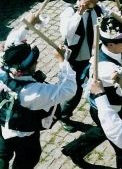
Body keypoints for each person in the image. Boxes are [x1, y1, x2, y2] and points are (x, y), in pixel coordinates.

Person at [62, 13, 122, 167]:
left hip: (115, 105)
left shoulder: (114, 45)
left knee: (103, 131)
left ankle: (74, 149)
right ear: (111, 44)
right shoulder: (105, 67)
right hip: (107, 108)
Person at [0, 14, 76, 168]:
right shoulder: (32, 92)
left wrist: (28, 25)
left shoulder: (4, 66)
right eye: (35, 62)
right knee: (28, 159)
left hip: (2, 124)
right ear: (29, 67)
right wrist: (62, 62)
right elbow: (68, 89)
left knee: (1, 155)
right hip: (24, 134)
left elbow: (12, 43)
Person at [59, 0, 110, 132]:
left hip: (93, 57)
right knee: (74, 92)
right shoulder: (69, 11)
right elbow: (66, 34)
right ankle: (63, 115)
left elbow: (111, 16)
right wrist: (79, 13)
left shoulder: (98, 9)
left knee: (99, 85)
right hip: (76, 59)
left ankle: (101, 113)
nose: (96, 1)